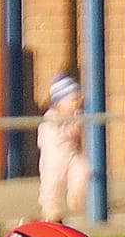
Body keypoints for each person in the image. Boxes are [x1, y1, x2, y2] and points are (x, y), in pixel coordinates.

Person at [37, 74, 90, 224]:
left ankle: (76, 197)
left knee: (83, 169)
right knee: (52, 183)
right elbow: (47, 138)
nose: (77, 104)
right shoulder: (51, 117)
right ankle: (51, 211)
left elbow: (80, 133)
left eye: (78, 99)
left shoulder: (77, 116)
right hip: (54, 158)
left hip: (72, 154)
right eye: (73, 100)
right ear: (59, 103)